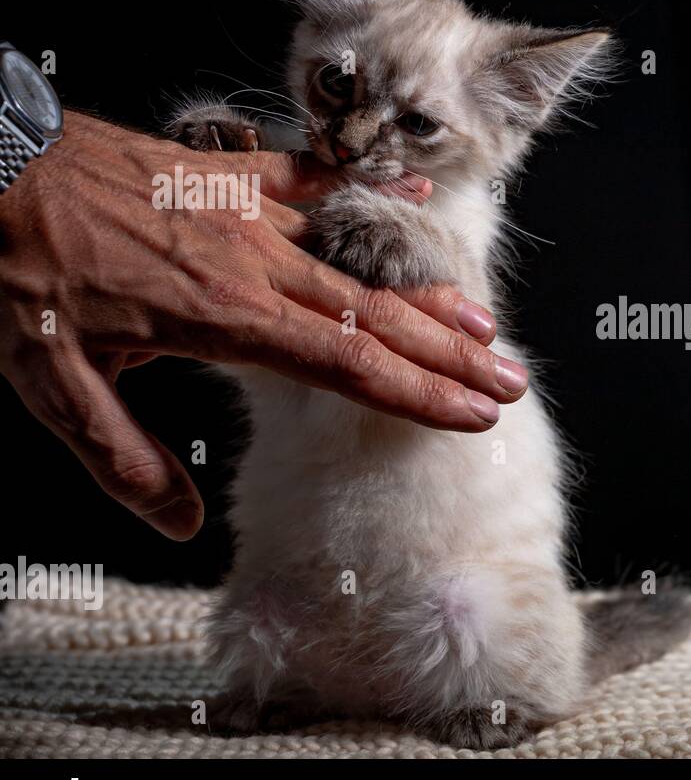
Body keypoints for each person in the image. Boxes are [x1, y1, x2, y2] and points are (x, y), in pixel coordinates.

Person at [0, 111, 529, 541]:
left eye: (418, 122)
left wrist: (21, 148)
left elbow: (462, 292)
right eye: (339, 85)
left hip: (456, 549)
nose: (351, 138)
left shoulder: (469, 212)